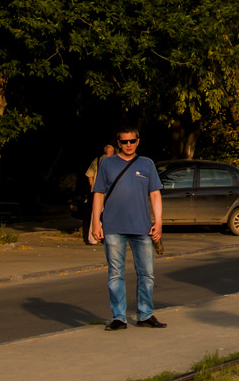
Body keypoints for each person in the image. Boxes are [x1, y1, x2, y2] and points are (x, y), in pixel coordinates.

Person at [91, 128, 165, 330]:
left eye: (132, 141)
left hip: (142, 228)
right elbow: (98, 193)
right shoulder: (107, 163)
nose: (128, 145)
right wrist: (95, 222)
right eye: (124, 142)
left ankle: (145, 314)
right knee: (115, 274)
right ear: (118, 143)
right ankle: (119, 317)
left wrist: (158, 221)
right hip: (113, 227)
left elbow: (155, 194)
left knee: (147, 273)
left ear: (138, 141)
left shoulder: (147, 164)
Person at [81, 143, 115, 243]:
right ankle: (108, 236)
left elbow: (89, 175)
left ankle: (92, 238)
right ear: (111, 152)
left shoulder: (96, 161)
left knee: (95, 214)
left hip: (96, 191)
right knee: (109, 213)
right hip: (108, 191)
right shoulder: (113, 161)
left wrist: (93, 185)